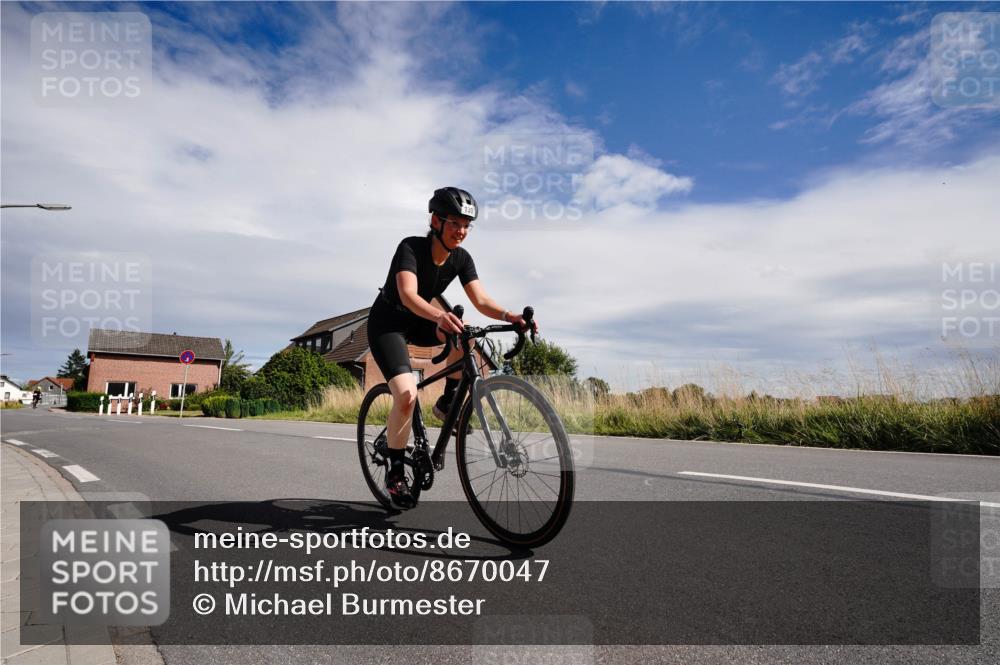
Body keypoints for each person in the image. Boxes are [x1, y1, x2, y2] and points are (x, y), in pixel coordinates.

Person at [367, 187, 537, 509]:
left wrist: (509, 315)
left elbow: (481, 300)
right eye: (454, 223)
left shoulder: (461, 258)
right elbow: (407, 295)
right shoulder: (410, 248)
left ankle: (447, 403)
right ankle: (396, 474)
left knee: (467, 337)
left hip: (421, 321)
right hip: (388, 323)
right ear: (436, 221)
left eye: (466, 226)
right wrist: (440, 316)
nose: (461, 231)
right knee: (406, 394)